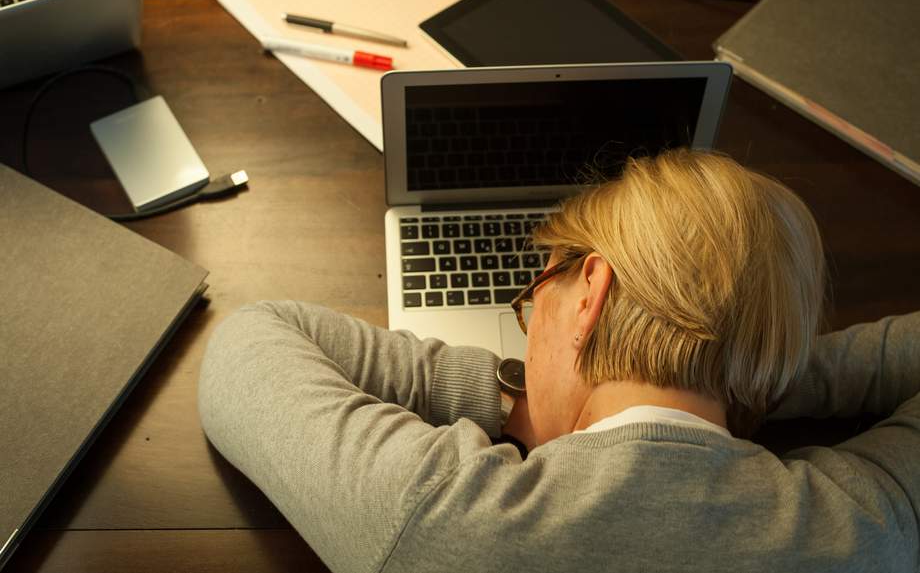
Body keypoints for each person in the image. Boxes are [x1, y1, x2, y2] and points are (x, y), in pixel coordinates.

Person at [198, 149, 920, 572]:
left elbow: (250, 342)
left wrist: (512, 398)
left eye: (536, 294)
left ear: (589, 295)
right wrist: (738, 367)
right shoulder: (868, 529)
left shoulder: (442, 513)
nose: (527, 327)